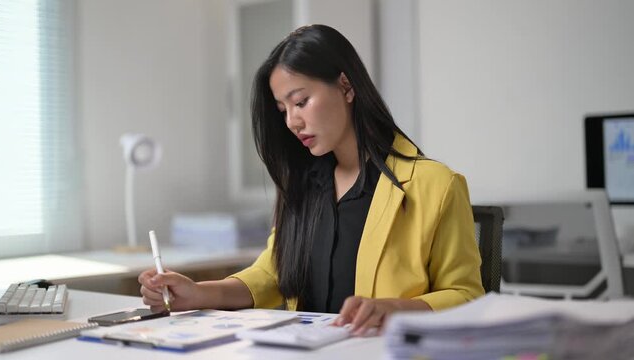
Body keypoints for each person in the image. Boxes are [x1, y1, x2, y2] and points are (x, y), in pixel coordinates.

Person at [139, 24, 484, 336]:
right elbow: (274, 273)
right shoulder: (304, 186)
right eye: (283, 110)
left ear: (346, 86)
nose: (292, 121)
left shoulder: (435, 184)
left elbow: (467, 296)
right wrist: (199, 292)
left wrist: (392, 310)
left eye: (301, 102)